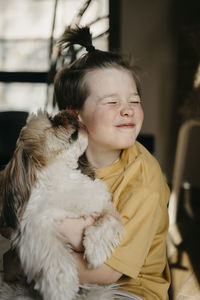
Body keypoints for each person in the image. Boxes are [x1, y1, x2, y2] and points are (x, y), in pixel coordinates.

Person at [53, 26, 171, 300]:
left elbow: (105, 273)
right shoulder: (58, 157)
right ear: (75, 115)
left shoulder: (143, 181)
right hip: (67, 279)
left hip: (127, 290)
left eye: (134, 100)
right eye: (112, 102)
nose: (127, 109)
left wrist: (27, 262)